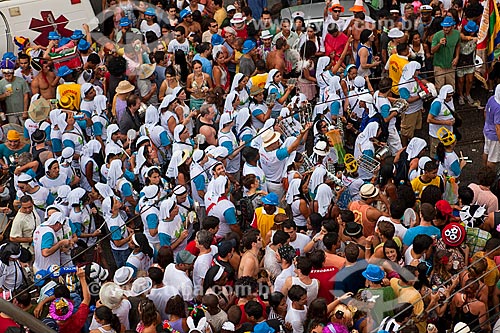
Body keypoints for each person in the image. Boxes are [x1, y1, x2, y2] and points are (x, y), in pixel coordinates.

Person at [431, 16, 460, 90]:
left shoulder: (457, 34)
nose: (445, 29)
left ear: (452, 26)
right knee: (440, 87)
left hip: (450, 65)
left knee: (451, 87)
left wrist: (457, 57)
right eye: (444, 26)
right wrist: (439, 44)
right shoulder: (437, 35)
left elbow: (458, 45)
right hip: (439, 65)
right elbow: (432, 50)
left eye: (447, 27)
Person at [483, 85, 500, 168]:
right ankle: (488, 176)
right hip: (494, 136)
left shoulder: (492, 99)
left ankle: (484, 169)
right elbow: (498, 127)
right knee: (493, 159)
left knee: (486, 151)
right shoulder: (499, 108)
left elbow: (485, 112)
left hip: (487, 130)